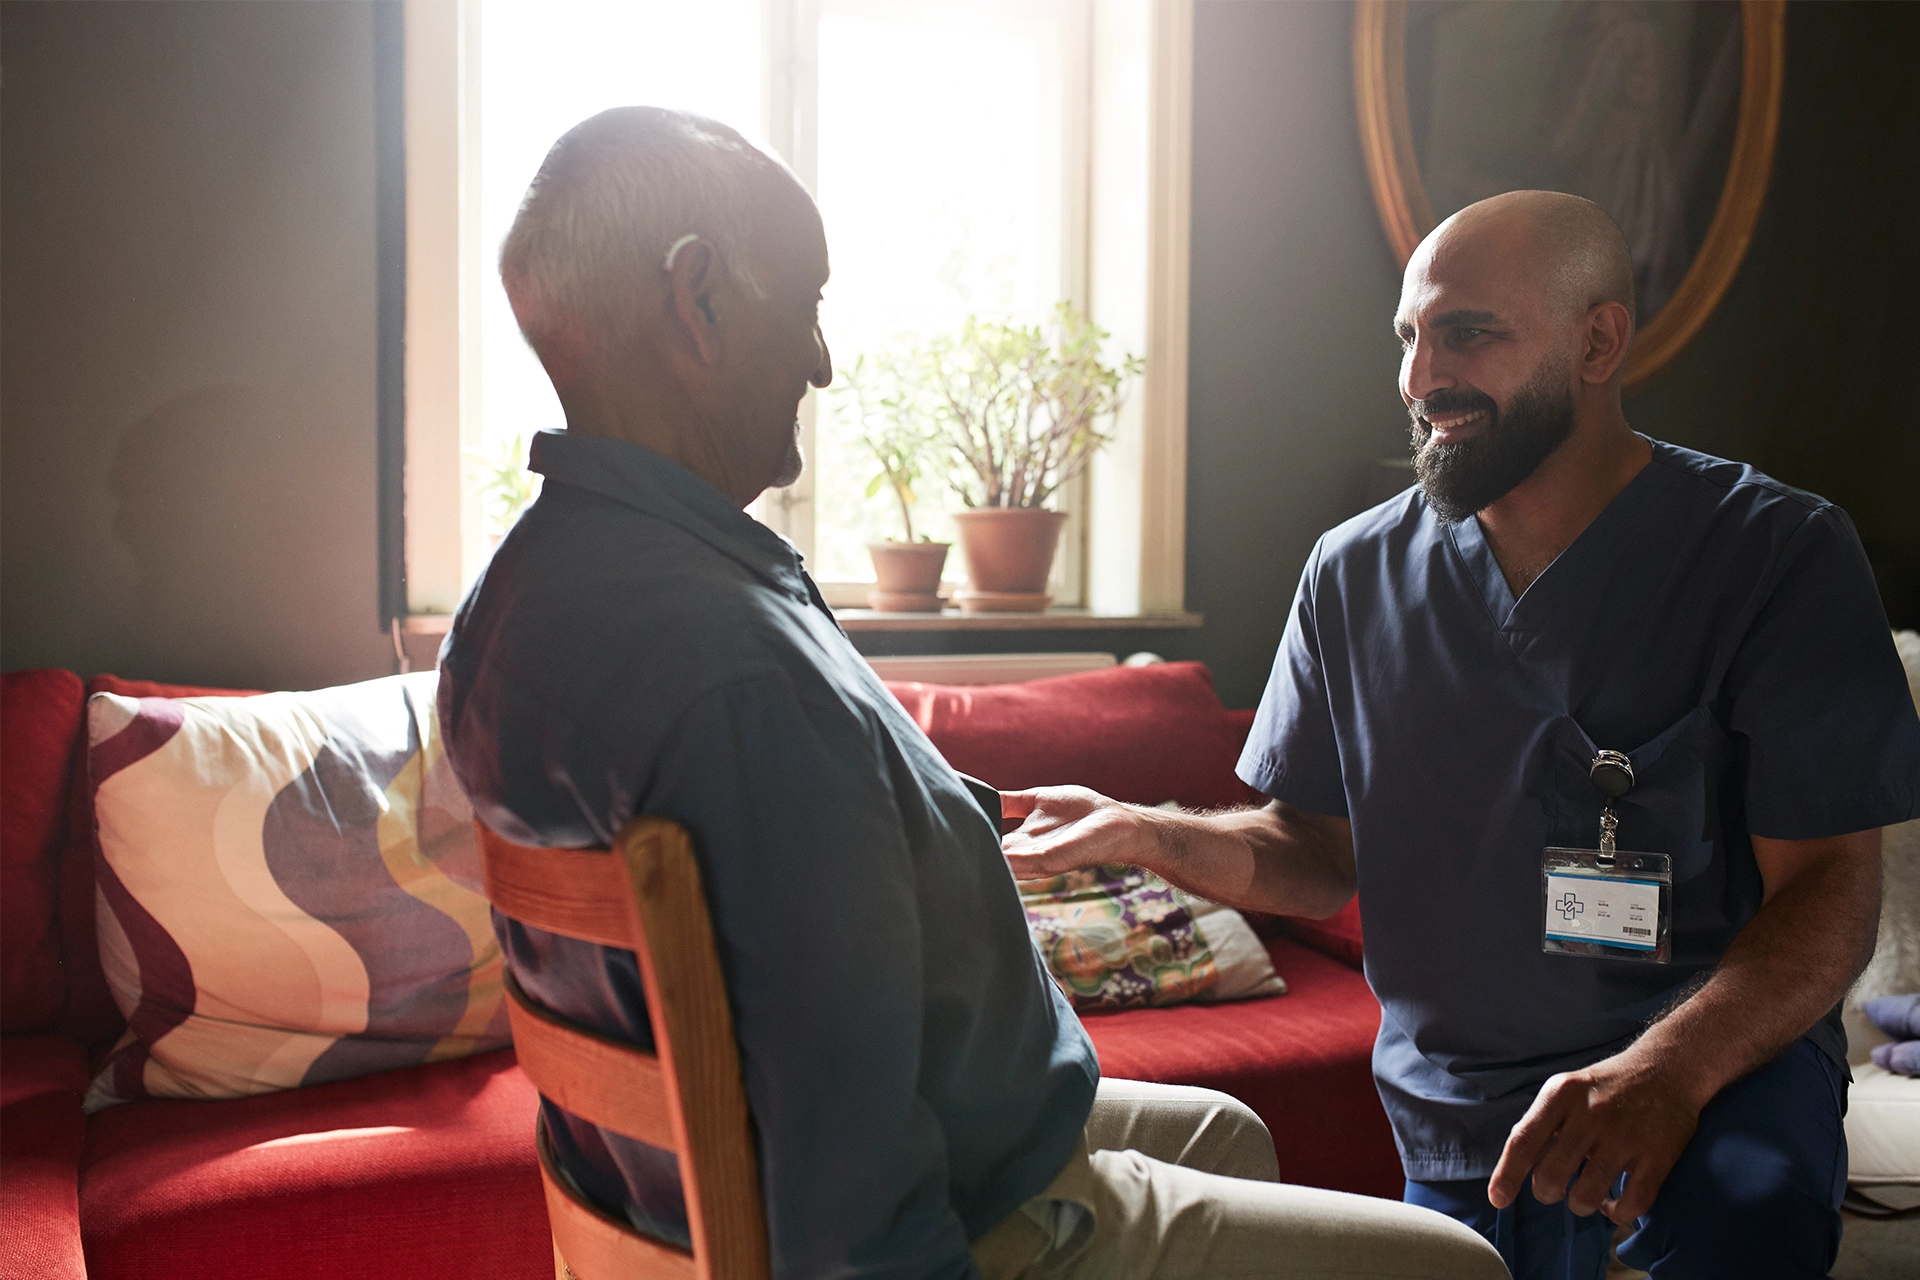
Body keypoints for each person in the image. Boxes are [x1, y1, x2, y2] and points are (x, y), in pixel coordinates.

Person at [437, 107, 1505, 1280]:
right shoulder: (738, 677)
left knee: (1229, 1130)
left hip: (680, 1176)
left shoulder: (518, 600)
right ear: (696, 300)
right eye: (807, 305)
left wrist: (963, 815)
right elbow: (845, 1193)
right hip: (934, 1210)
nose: (821, 359)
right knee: (1459, 1265)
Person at [1004, 189, 1920, 1278]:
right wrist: (1151, 834)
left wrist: (1669, 1069)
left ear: (1597, 340)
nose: (1420, 375)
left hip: (1717, 1080)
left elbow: (1830, 889)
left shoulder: (1777, 556)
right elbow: (1317, 853)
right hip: (1465, 1118)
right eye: (1410, 335)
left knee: (1743, 1224)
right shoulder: (1352, 575)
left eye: (1468, 331)